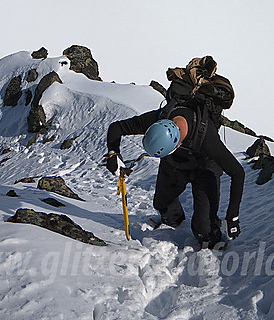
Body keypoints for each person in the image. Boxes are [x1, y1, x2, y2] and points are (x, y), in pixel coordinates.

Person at [105, 56, 244, 248]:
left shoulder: (207, 139)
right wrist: (113, 154)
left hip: (206, 166)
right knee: (162, 204)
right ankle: (173, 220)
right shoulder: (161, 116)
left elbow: (238, 172)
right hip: (178, 162)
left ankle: (211, 233)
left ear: (176, 144)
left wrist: (233, 217)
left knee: (204, 231)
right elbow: (117, 127)